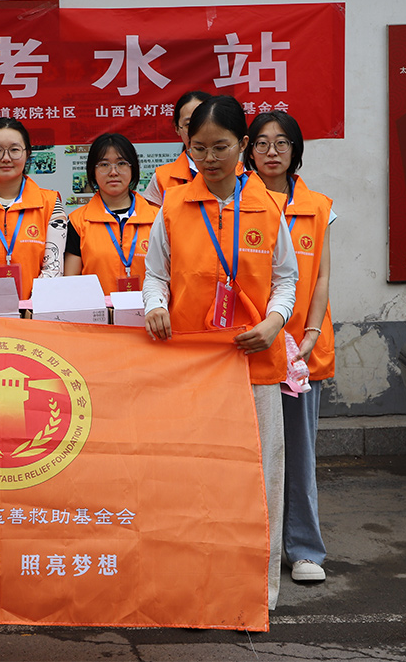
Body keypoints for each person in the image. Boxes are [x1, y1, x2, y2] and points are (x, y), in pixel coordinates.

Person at [142, 95, 298, 611]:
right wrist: (155, 305)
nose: (209, 158)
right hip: (191, 366)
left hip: (253, 362)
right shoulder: (173, 205)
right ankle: (192, 587)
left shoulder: (268, 206)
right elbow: (155, 275)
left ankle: (255, 593)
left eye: (221, 147)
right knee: (193, 477)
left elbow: (287, 279)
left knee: (259, 477)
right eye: (199, 148)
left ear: (243, 146)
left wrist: (274, 322)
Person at [243, 111, 335, 584]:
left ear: (296, 150)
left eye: (282, 142)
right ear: (249, 150)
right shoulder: (235, 204)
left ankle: (303, 549)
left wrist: (312, 334)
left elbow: (321, 278)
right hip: (249, 347)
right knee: (249, 452)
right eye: (262, 142)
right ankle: (252, 547)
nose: (272, 151)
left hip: (300, 350)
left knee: (299, 452)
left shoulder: (318, 207)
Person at [0, 118, 66, 300]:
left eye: (15, 150)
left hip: (36, 311)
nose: (6, 158)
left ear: (28, 153)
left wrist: (30, 308)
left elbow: (53, 268)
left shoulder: (51, 203)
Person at [64, 133, 157, 294]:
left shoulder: (156, 219)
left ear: (133, 168)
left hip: (149, 309)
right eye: (104, 164)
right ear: (92, 171)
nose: (113, 172)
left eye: (121, 163)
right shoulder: (77, 222)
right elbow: (70, 283)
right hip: (96, 310)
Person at [142, 90, 212, 207]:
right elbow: (152, 218)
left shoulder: (238, 172)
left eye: (203, 122)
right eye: (188, 124)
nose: (196, 131)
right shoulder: (162, 178)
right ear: (177, 128)